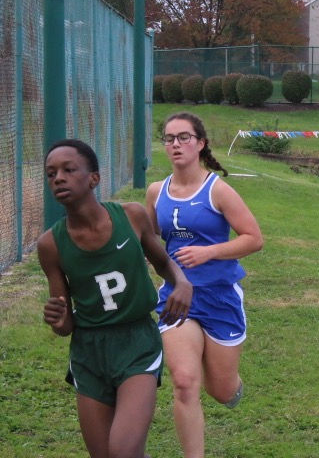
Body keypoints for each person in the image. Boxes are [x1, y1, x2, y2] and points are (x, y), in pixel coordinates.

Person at [38, 139, 193, 458]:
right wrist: (57, 318)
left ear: (93, 178)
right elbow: (65, 325)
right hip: (89, 352)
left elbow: (164, 263)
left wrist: (182, 283)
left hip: (136, 342)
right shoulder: (50, 245)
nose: (58, 178)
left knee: (123, 450)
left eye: (69, 170)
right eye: (51, 173)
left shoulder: (132, 217)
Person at [146, 112, 264, 457]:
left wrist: (209, 252)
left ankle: (232, 386)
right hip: (177, 298)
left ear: (200, 143)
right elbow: (152, 239)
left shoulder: (219, 190)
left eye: (184, 137)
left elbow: (254, 239)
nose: (176, 144)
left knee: (221, 390)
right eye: (170, 138)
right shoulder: (156, 192)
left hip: (220, 298)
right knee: (183, 381)